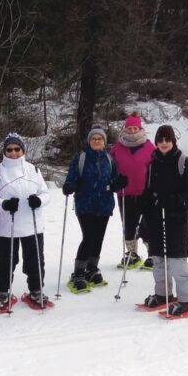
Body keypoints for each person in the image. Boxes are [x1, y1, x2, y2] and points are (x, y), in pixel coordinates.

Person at [0, 133, 50, 309]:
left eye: (17, 149)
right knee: (5, 261)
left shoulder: (33, 169)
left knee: (35, 260)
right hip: (6, 225)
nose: (13, 153)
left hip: (31, 224)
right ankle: (3, 292)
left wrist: (39, 201)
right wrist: (3, 204)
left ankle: (36, 290)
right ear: (4, 151)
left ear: (23, 150)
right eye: (9, 149)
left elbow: (46, 193)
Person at [141, 125, 188, 315]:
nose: (164, 143)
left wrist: (177, 202)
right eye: (160, 140)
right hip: (157, 219)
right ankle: (162, 293)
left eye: (167, 139)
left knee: (177, 261)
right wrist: (144, 202)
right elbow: (149, 190)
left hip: (176, 220)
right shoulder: (153, 164)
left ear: (173, 141)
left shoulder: (184, 162)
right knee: (158, 259)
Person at [62, 125, 127, 292]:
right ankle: (78, 273)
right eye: (94, 138)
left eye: (100, 139)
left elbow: (114, 181)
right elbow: (72, 176)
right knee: (89, 237)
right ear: (89, 141)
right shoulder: (81, 157)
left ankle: (92, 269)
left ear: (104, 142)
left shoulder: (109, 159)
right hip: (85, 204)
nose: (97, 141)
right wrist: (70, 185)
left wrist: (119, 183)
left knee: (98, 238)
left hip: (104, 204)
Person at [110, 113, 155, 269]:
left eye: (135, 128)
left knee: (147, 224)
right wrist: (114, 181)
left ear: (140, 128)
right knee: (128, 223)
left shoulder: (149, 147)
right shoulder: (117, 148)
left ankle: (153, 254)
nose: (132, 131)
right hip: (125, 193)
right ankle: (132, 253)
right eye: (129, 128)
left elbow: (156, 168)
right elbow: (110, 167)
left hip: (145, 193)